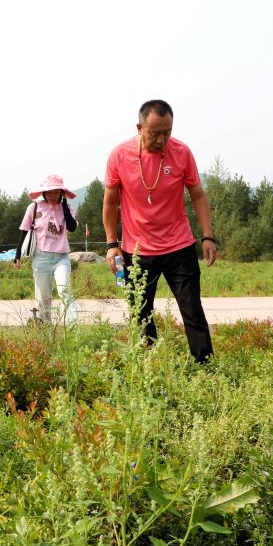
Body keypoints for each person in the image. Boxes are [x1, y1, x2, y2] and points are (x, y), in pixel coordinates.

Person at [102, 100, 217, 363]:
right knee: (141, 314)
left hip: (179, 247)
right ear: (139, 128)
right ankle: (149, 367)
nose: (162, 139)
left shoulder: (182, 152)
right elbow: (109, 202)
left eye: (168, 132)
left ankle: (205, 366)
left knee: (192, 309)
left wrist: (207, 236)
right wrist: (111, 244)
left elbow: (198, 195)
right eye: (155, 133)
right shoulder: (119, 155)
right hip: (137, 251)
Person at [15, 174, 79, 323]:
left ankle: (71, 329)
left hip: (61, 258)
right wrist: (17, 255)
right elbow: (24, 231)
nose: (53, 195)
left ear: (62, 193)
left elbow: (72, 227)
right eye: (50, 192)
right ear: (44, 192)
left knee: (65, 291)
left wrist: (64, 205)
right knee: (43, 298)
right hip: (41, 257)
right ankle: (46, 328)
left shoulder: (68, 208)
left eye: (57, 192)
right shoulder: (34, 207)